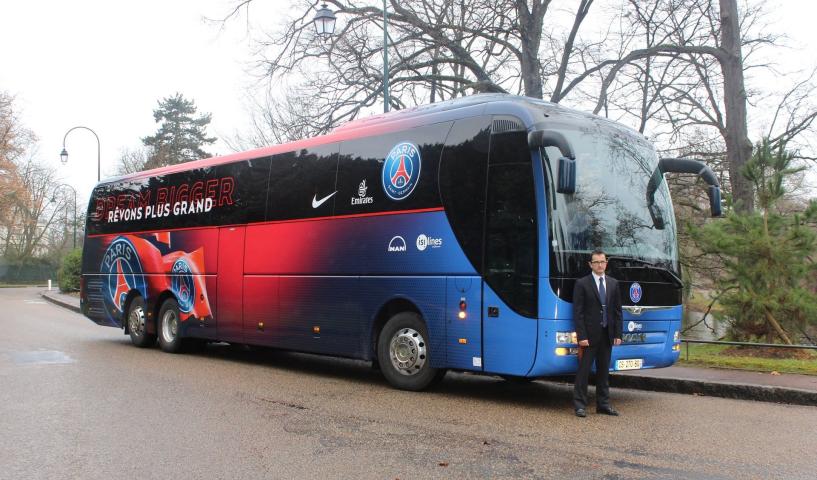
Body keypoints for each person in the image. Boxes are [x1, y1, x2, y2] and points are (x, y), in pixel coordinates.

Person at [572, 249, 623, 418]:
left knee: (603, 372)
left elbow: (617, 312)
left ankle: (603, 404)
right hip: (588, 336)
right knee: (583, 372)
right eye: (596, 262)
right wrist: (581, 337)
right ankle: (580, 405)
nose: (600, 265)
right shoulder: (582, 283)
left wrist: (618, 334)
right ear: (590, 264)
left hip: (607, 335)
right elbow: (577, 313)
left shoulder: (614, 283)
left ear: (606, 263)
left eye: (602, 262)